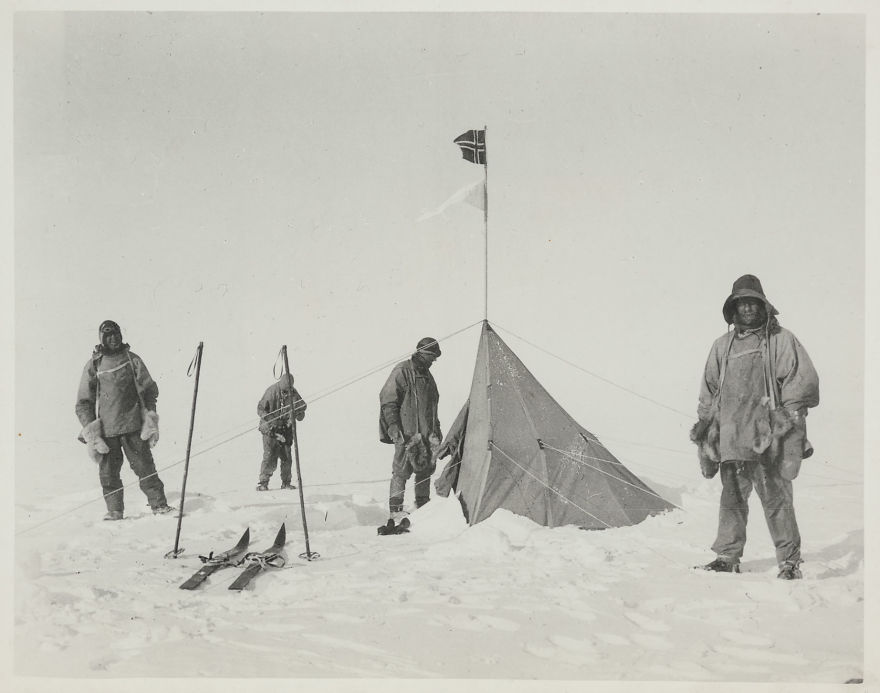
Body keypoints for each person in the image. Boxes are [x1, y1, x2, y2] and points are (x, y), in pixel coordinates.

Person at [691, 275, 819, 580]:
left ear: (763, 304)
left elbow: (800, 382)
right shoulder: (722, 346)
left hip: (767, 438)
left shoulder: (781, 340)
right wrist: (707, 428)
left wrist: (789, 423)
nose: (747, 308)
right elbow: (708, 391)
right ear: (733, 309)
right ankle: (727, 556)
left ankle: (789, 562)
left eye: (752, 301)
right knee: (731, 501)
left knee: (777, 501)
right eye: (741, 303)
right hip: (731, 437)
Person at [75, 320, 173, 520]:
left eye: (116, 334)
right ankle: (114, 511)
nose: (114, 338)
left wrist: (150, 417)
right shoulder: (94, 365)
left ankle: (159, 505)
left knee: (145, 467)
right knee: (108, 475)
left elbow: (149, 390)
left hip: (134, 426)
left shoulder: (132, 359)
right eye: (108, 335)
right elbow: (84, 402)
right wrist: (90, 429)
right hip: (106, 432)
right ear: (102, 339)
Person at [379, 337, 443, 517]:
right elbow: (388, 399)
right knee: (401, 471)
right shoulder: (402, 371)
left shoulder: (428, 377)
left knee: (425, 470)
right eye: (432, 356)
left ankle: (422, 508)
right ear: (423, 354)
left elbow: (433, 407)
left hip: (426, 435)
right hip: (406, 434)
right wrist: (392, 424)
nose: (434, 361)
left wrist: (436, 429)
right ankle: (395, 511)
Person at [256, 373, 306, 491]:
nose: (287, 392)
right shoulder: (271, 391)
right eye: (285, 390)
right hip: (270, 428)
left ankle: (286, 482)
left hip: (285, 428)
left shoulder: (293, 393)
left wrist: (297, 414)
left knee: (286, 456)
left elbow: (302, 407)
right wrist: (269, 419)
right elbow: (260, 408)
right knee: (270, 456)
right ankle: (263, 482)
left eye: (289, 390)